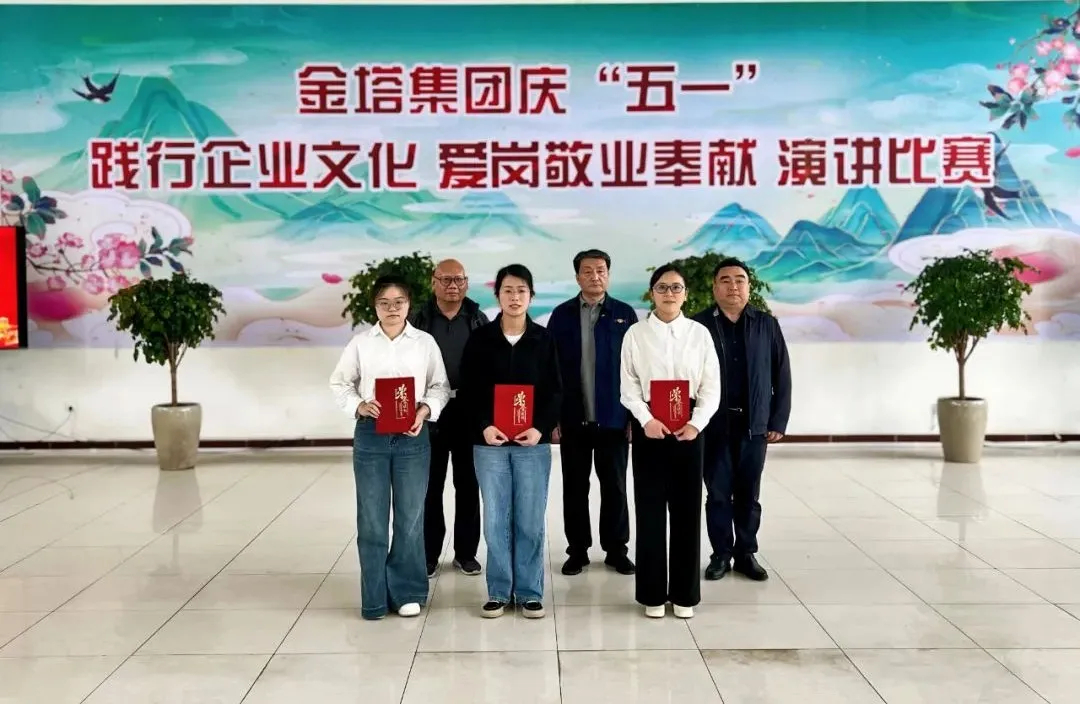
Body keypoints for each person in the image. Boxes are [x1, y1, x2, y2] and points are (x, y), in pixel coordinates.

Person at [329, 275, 451, 620]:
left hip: (413, 436)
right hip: (371, 436)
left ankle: (407, 590)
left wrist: (425, 410)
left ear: (409, 304)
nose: (392, 309)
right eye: (384, 303)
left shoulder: (424, 343)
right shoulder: (361, 344)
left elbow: (440, 385)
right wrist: (359, 405)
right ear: (375, 306)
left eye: (399, 302)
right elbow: (339, 382)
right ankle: (374, 597)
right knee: (371, 519)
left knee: (410, 517)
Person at [459, 263, 562, 619]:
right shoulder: (480, 339)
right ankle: (500, 591)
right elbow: (469, 390)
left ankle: (530, 591)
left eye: (521, 290)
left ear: (531, 296)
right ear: (497, 295)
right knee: (495, 520)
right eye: (508, 290)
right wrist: (485, 425)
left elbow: (555, 391)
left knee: (530, 519)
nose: (515, 297)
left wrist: (541, 428)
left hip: (532, 445)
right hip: (489, 445)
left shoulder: (544, 340)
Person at [619, 263, 721, 619]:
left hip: (689, 429)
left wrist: (696, 423)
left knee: (686, 511)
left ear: (686, 294)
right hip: (650, 428)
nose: (669, 293)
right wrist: (645, 419)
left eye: (676, 287)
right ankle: (651, 594)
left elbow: (711, 386)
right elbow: (628, 385)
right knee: (649, 511)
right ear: (652, 293)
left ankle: (684, 595)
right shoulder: (635, 334)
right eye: (662, 287)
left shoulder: (699, 334)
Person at [692, 257, 792, 582]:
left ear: (749, 286)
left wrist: (777, 421)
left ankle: (746, 553)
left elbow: (781, 373)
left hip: (754, 425)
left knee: (749, 495)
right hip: (713, 426)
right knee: (718, 494)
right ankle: (720, 554)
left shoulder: (766, 324)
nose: (733, 286)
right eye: (725, 280)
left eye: (739, 280)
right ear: (714, 287)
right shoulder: (698, 326)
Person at [546, 249, 637, 577]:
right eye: (587, 271)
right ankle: (578, 551)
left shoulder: (624, 314)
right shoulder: (562, 315)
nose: (595, 276)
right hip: (574, 418)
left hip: (614, 418)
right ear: (577, 277)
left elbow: (634, 369)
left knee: (615, 487)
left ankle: (616, 550)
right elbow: (551, 368)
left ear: (608, 275)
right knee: (574, 488)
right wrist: (553, 417)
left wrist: (633, 417)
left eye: (600, 270)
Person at [409, 258, 489, 578]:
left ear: (466, 283)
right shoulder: (418, 319)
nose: (452, 285)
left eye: (458, 279)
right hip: (429, 412)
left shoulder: (478, 319)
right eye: (445, 279)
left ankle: (466, 554)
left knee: (468, 484)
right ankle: (429, 554)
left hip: (468, 411)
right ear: (434, 282)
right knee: (430, 486)